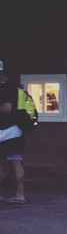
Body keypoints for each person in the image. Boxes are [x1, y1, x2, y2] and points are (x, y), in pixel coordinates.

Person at [0, 61, 27, 204]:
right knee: (16, 162)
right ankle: (20, 194)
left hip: (5, 130)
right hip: (16, 130)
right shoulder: (13, 86)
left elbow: (6, 108)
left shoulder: (4, 88)